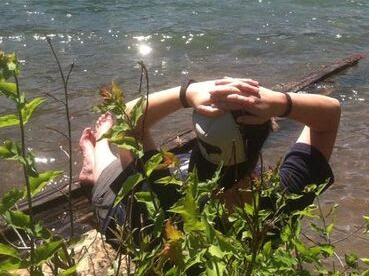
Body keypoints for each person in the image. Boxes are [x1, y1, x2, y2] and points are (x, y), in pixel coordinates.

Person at [78, 77, 341, 244]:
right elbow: (329, 116)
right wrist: (282, 102)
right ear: (267, 130)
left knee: (116, 166)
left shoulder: (169, 191)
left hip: (126, 222)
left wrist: (187, 93)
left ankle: (95, 163)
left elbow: (125, 123)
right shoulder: (282, 198)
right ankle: (102, 158)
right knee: (136, 160)